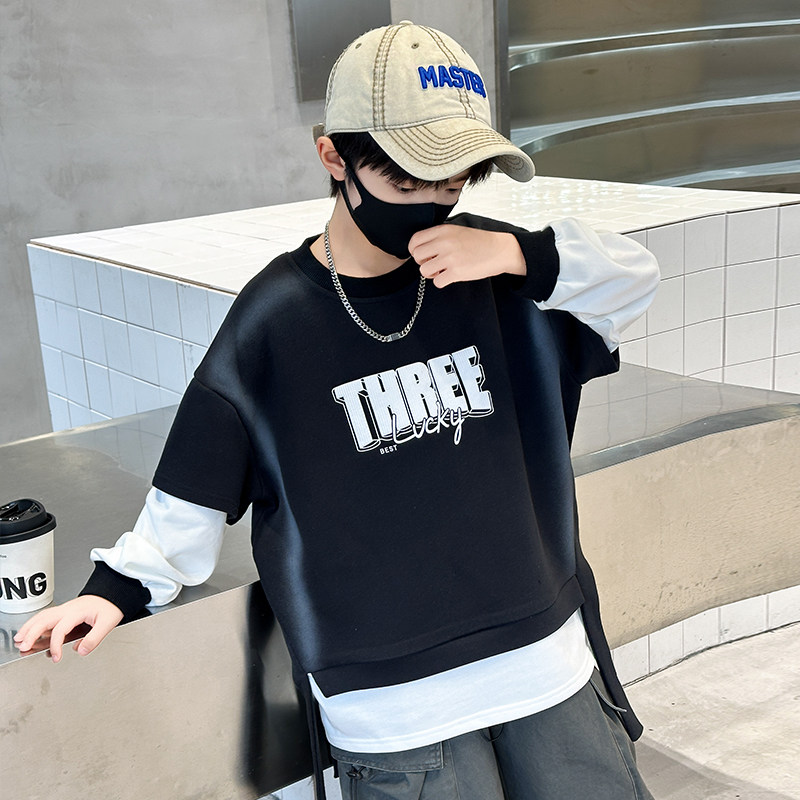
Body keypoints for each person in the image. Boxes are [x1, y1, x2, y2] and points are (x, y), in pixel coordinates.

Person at [16, 21, 660, 800]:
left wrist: (522, 253)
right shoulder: (275, 321)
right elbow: (195, 483)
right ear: (334, 158)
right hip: (394, 709)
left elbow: (633, 280)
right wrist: (116, 589)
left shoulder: (495, 267)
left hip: (546, 661)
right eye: (407, 181)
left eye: (454, 181)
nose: (434, 204)